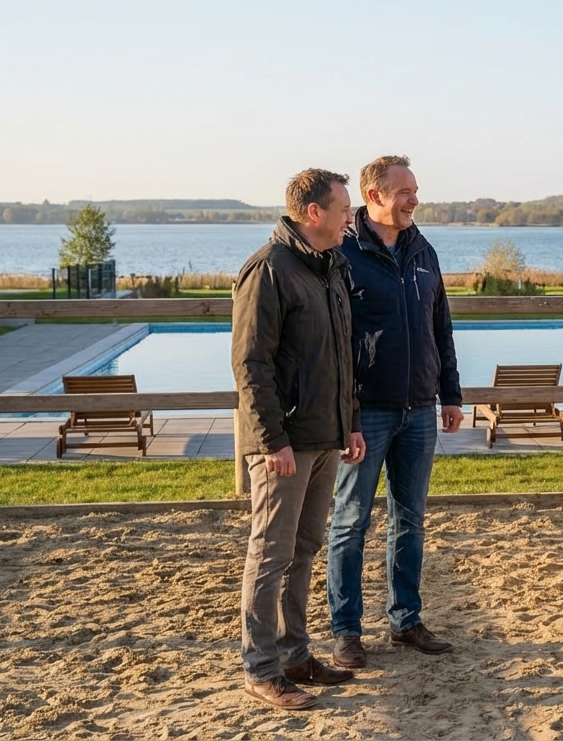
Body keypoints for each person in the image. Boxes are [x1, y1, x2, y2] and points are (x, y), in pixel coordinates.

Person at [232, 168, 366, 710]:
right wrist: (271, 441)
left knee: (304, 549)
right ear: (314, 213)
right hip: (283, 445)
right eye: (343, 208)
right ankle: (260, 668)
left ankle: (295, 655)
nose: (350, 216)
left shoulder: (329, 266)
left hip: (323, 437)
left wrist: (349, 423)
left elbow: (341, 355)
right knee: (270, 553)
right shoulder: (268, 270)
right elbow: (251, 364)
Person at [325, 155, 463, 669]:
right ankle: (346, 631)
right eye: (405, 191)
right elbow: (336, 342)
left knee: (411, 520)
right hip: (368, 414)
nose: (414, 199)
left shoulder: (423, 249)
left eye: (415, 190)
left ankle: (406, 620)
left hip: (420, 410)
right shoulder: (345, 252)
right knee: (350, 521)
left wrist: (450, 393)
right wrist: (349, 415)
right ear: (374, 196)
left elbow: (440, 326)